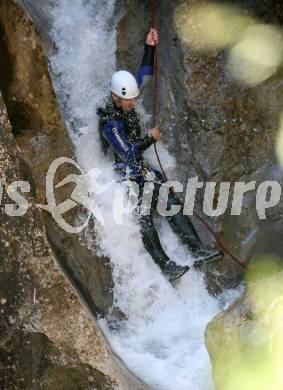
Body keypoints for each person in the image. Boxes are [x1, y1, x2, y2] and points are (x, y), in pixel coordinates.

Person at [97, 28, 223, 281]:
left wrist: (149, 46)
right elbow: (127, 152)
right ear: (114, 97)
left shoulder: (126, 99)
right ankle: (166, 266)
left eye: (133, 99)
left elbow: (144, 75)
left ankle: (197, 250)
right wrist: (150, 139)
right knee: (145, 220)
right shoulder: (109, 122)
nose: (133, 104)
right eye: (128, 101)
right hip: (126, 176)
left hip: (141, 171)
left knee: (171, 205)